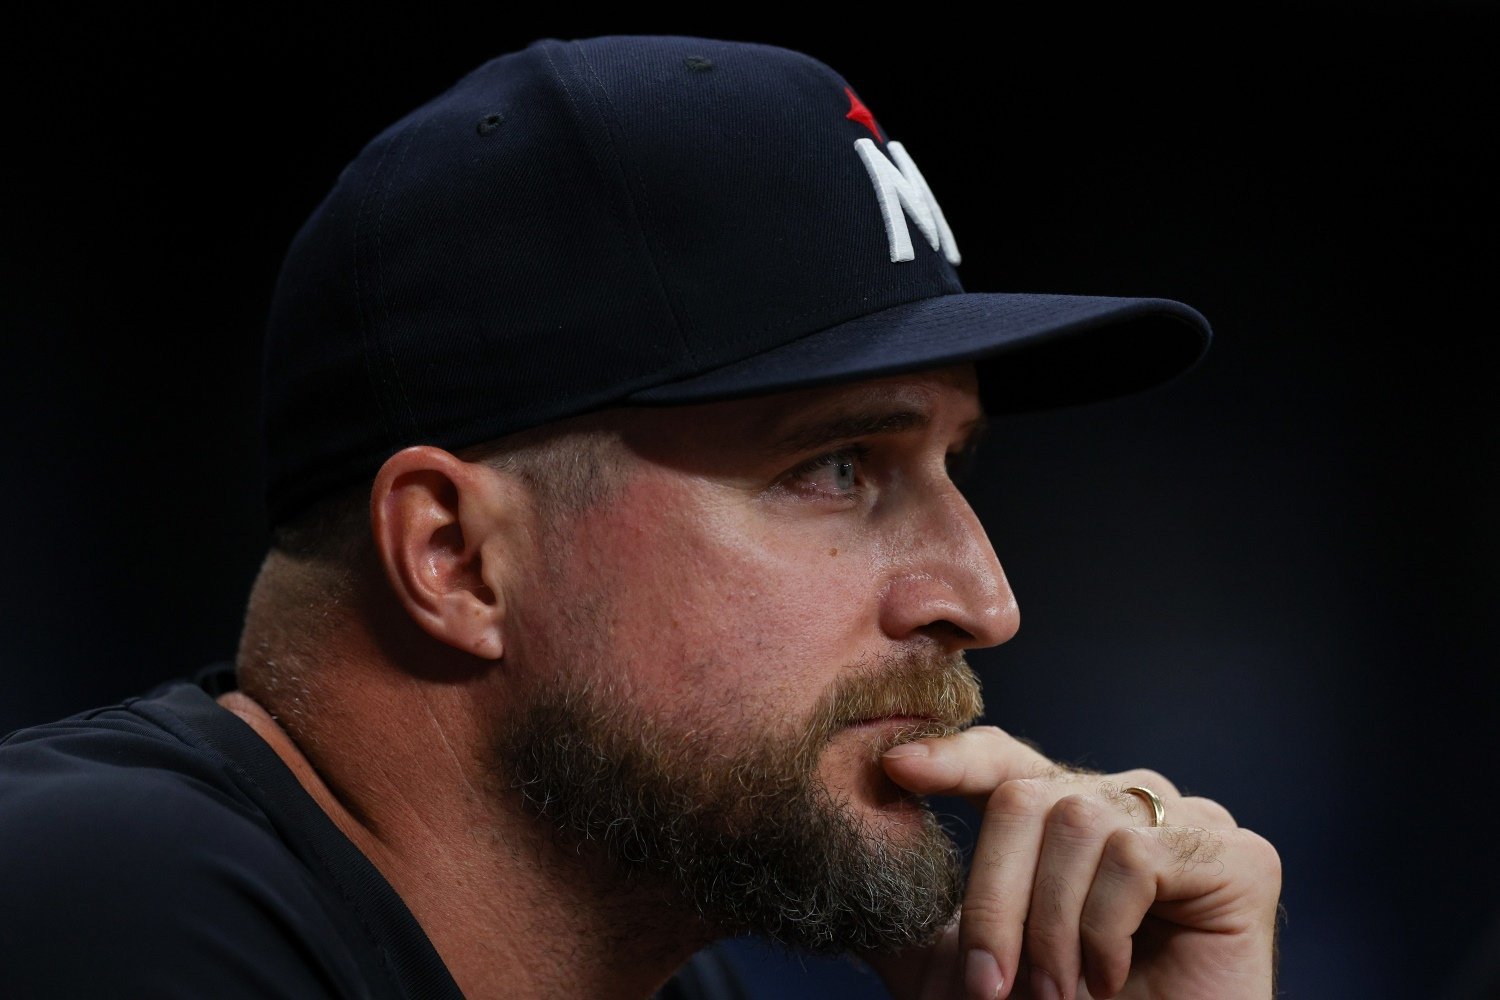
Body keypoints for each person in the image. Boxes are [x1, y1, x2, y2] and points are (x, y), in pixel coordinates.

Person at [0, 35, 1280, 1000]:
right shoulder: (102, 907)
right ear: (455, 557)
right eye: (837, 466)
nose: (983, 600)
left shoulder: (652, 968)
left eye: (955, 463)